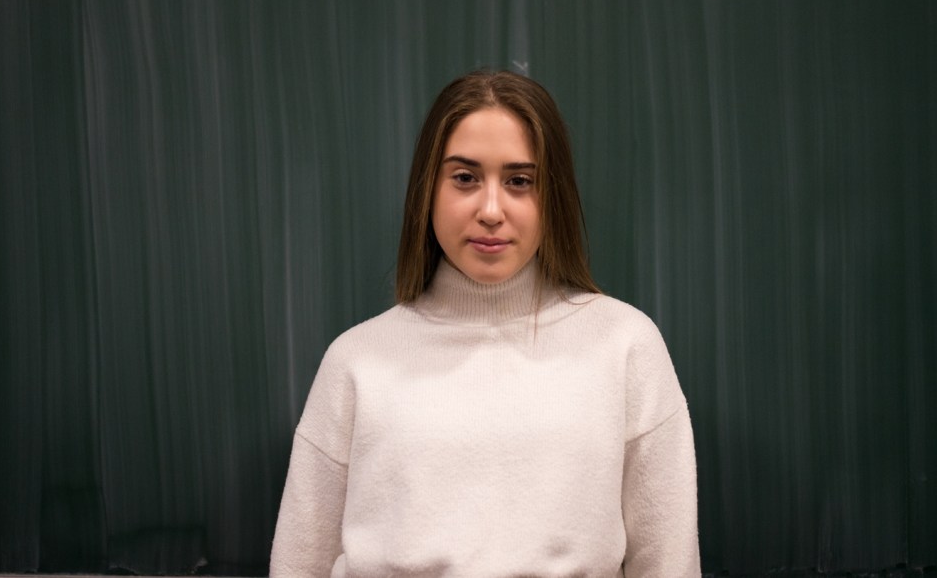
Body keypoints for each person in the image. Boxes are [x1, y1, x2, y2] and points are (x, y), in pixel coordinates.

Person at [270, 70, 699, 577]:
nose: (491, 210)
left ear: (553, 195)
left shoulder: (624, 345)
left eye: (520, 181)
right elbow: (301, 562)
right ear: (428, 189)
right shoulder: (356, 360)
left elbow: (668, 561)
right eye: (465, 178)